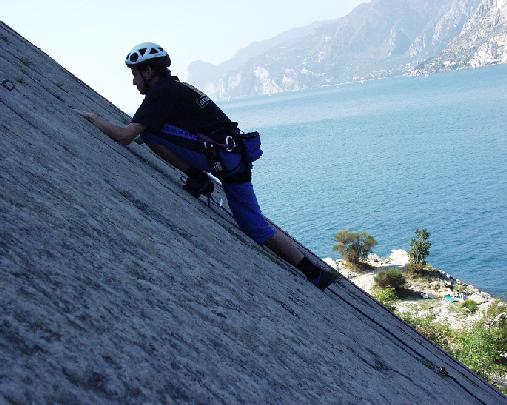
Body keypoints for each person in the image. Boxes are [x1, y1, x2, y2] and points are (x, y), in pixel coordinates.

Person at [76, 42, 337, 290]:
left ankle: (196, 177)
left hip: (221, 157)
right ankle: (313, 272)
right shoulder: (180, 87)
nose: (134, 81)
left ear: (148, 70)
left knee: (151, 133)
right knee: (253, 224)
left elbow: (125, 136)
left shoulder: (162, 93)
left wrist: (93, 118)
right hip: (233, 155)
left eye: (135, 74)